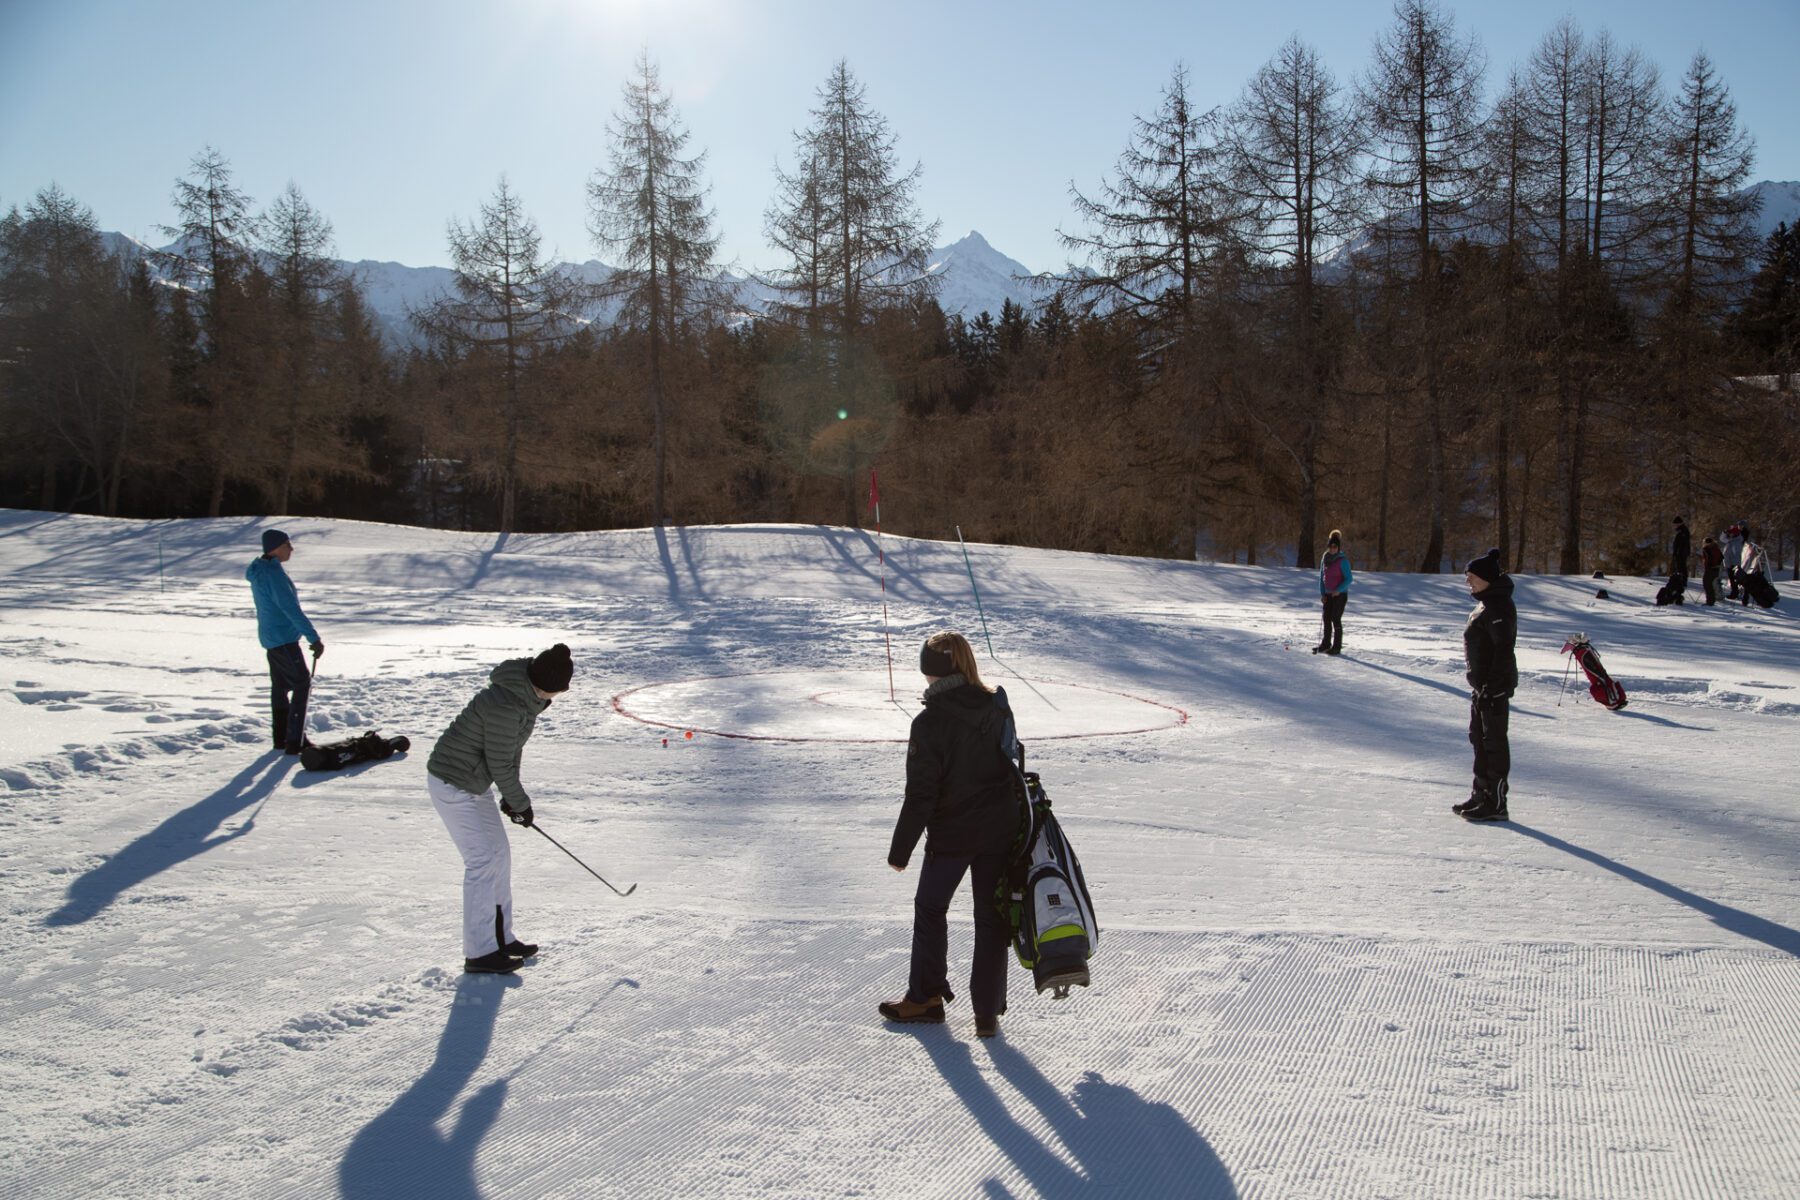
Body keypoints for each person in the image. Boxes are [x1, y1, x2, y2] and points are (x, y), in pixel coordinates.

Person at [881, 632, 1020, 1038]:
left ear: (931, 672)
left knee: (930, 909)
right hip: (999, 830)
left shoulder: (929, 722)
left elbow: (921, 795)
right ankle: (986, 1014)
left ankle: (924, 998)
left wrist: (900, 850)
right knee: (990, 919)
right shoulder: (997, 706)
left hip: (953, 836)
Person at [427, 643, 573, 975]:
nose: (560, 695)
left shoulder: (527, 698)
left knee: (499, 856)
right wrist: (520, 803)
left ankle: (500, 938)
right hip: (453, 784)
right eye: (559, 688)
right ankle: (479, 953)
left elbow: (510, 753)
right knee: (481, 862)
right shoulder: (508, 705)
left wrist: (512, 799)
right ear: (546, 682)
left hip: (473, 783)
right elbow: (500, 762)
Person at [245, 528, 323, 755]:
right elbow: (289, 608)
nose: (291, 549)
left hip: (272, 638)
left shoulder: (261, 570)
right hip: (284, 639)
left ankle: (281, 738)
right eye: (288, 545)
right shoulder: (272, 574)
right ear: (276, 547)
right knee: (301, 684)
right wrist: (313, 637)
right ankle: (295, 740)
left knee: (280, 688)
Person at [1452, 549, 1517, 823]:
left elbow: (1503, 650)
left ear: (1486, 578)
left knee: (1493, 743)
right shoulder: (1485, 604)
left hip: (1495, 688)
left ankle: (1496, 802)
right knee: (1478, 739)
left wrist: (1492, 686)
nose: (1468, 582)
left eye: (1471, 577)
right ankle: (1481, 793)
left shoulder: (1499, 606)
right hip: (1481, 688)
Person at [1315, 529, 1353, 655]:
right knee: (1326, 618)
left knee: (1335, 618)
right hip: (1327, 594)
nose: (1332, 549)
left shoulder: (1343, 561)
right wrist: (1323, 593)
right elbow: (1322, 577)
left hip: (1340, 595)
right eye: (1330, 546)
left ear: (1338, 547)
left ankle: (1337, 646)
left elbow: (1349, 579)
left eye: (1335, 546)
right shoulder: (1325, 559)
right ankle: (1326, 643)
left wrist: (1338, 590)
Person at [1668, 516, 1692, 602]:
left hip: (1681, 554)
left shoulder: (1683, 531)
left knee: (1681, 567)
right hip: (1680, 553)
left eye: (1675, 524)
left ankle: (1682, 581)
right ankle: (1680, 580)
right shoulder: (1681, 531)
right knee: (1680, 567)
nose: (1674, 526)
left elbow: (1682, 544)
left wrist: (1678, 552)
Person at [1700, 535, 1724, 606]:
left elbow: (1708, 559)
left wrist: (1708, 566)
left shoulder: (1707, 549)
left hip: (1710, 569)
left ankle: (1710, 601)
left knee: (1707, 584)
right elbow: (1721, 557)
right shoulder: (1716, 548)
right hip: (1717, 569)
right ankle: (1711, 600)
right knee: (1711, 584)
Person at [1724, 523, 1745, 600]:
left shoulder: (1736, 542)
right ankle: (1735, 592)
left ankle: (1734, 593)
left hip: (1733, 564)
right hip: (1730, 563)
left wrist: (1734, 565)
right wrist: (1725, 532)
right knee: (1732, 579)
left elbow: (1736, 555)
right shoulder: (1732, 540)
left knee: (1733, 580)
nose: (1730, 535)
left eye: (1731, 533)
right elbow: (1722, 538)